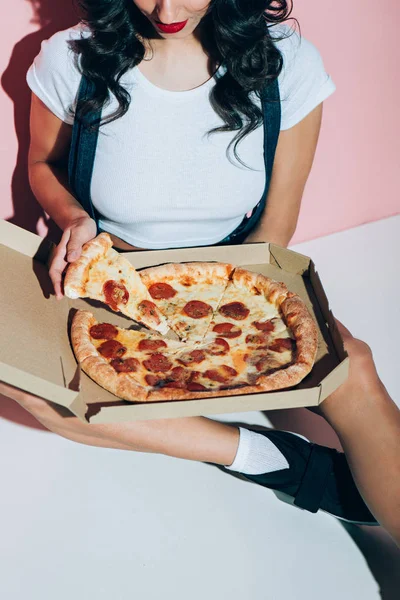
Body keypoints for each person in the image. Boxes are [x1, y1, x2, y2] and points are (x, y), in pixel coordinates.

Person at [13, 0, 398, 541]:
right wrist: (72, 216)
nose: (166, 9)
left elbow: (275, 228)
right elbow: (41, 164)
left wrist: (216, 334)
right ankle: (269, 458)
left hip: (228, 280)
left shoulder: (286, 61)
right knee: (46, 395)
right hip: (112, 280)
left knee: (352, 366)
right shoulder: (72, 57)